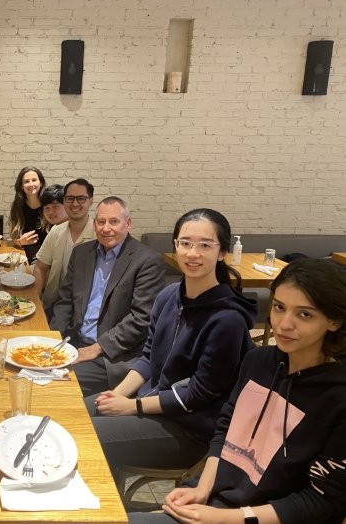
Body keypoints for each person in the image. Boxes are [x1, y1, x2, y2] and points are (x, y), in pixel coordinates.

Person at [130, 258, 346, 524]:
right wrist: (202, 488)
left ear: (334, 321)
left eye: (305, 314)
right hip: (219, 505)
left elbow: (323, 500)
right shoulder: (258, 362)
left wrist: (228, 518)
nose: (284, 324)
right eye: (279, 307)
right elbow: (226, 429)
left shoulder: (337, 397)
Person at [87, 208, 257, 485]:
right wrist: (116, 396)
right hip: (152, 403)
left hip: (190, 429)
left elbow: (198, 395)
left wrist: (132, 407)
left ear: (222, 251)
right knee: (74, 412)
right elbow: (147, 358)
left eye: (205, 245)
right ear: (175, 245)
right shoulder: (169, 296)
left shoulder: (227, 320)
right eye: (185, 243)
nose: (192, 253)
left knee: (86, 433)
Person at [50, 196, 165, 396]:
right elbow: (65, 301)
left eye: (114, 221)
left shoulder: (147, 261)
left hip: (113, 355)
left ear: (127, 224)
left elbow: (142, 319)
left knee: (54, 383)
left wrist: (97, 347)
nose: (106, 228)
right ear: (94, 224)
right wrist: (52, 340)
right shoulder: (82, 253)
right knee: (30, 369)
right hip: (74, 342)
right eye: (101, 222)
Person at [34, 178, 96, 319]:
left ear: (91, 201)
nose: (74, 204)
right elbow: (40, 267)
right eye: (69, 199)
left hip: (86, 310)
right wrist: (37, 301)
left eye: (81, 198)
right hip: (54, 304)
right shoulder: (56, 231)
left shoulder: (99, 234)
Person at [8, 166, 46, 263]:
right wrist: (21, 242)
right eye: (26, 181)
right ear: (21, 186)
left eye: (34, 180)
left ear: (41, 183)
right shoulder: (18, 205)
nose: (31, 184)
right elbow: (14, 238)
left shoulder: (48, 205)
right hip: (23, 255)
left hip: (45, 257)